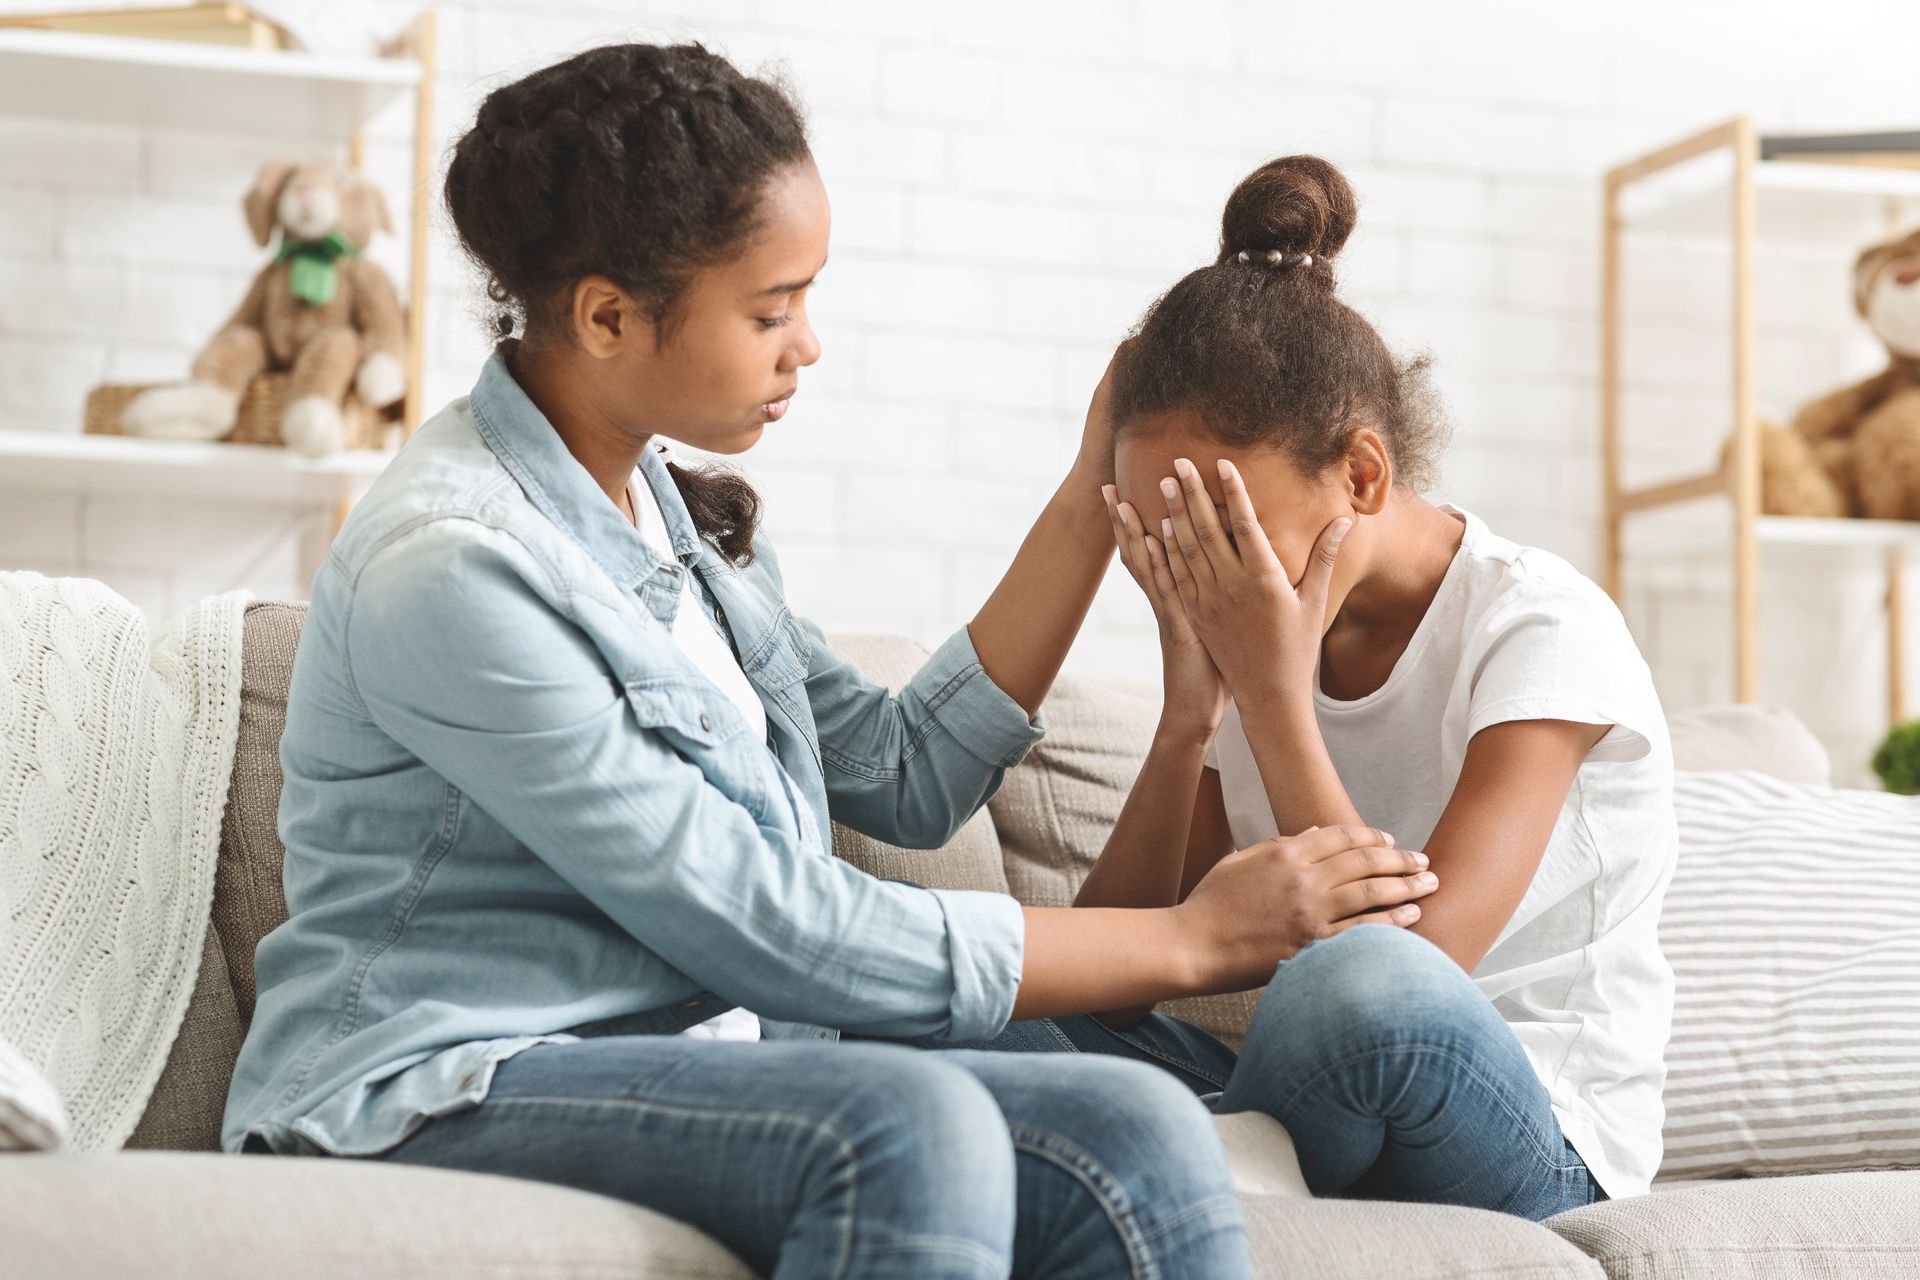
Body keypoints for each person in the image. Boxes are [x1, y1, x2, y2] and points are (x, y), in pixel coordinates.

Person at [221, 46, 1439, 1278]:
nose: (807, 344)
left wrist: (1090, 488)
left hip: (692, 1059)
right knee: (908, 1125)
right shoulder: (453, 568)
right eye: (769, 308)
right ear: (605, 316)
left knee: (1138, 1121)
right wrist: (1195, 937)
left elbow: (905, 770)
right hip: (444, 1081)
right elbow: (776, 927)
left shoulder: (676, 524)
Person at [932, 155, 1678, 1221]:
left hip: (1536, 1130)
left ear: (1363, 474)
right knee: (982, 1004)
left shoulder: (1540, 627)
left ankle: (1215, 1160)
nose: (1205, 573)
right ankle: (1234, 1158)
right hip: (1320, 1094)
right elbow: (1118, 964)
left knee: (1353, 985)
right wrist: (1191, 717)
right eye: (1171, 534)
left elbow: (1416, 965)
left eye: (1228, 528)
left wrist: (1274, 695)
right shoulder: (1255, 628)